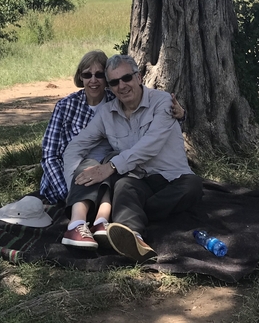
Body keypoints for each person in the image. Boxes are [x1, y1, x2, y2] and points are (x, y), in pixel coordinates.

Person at [63, 54, 204, 263]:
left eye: (126, 78)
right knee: (124, 187)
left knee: (193, 185)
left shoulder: (163, 102)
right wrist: (74, 190)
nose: (122, 86)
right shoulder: (106, 113)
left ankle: (125, 218)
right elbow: (75, 147)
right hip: (138, 178)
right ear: (109, 87)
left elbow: (150, 145)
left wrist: (111, 166)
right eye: (114, 82)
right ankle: (133, 237)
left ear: (138, 77)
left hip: (171, 178)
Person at [38, 50, 184, 249]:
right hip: (84, 176)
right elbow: (56, 152)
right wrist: (72, 191)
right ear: (80, 77)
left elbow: (151, 129)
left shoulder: (127, 99)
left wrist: (181, 113)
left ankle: (106, 224)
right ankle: (81, 225)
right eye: (87, 75)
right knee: (97, 169)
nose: (94, 80)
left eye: (99, 75)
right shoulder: (71, 106)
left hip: (125, 171)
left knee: (116, 165)